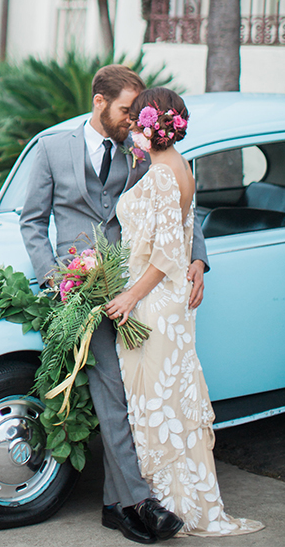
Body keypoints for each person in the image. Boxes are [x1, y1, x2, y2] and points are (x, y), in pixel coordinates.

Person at [20, 65, 209, 543]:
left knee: (132, 395)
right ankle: (138, 502)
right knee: (114, 392)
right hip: (81, 291)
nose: (133, 118)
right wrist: (55, 279)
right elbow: (32, 222)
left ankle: (116, 504)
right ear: (99, 101)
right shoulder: (52, 149)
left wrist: (197, 258)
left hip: (135, 288)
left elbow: (176, 204)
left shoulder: (141, 148)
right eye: (126, 109)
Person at [106, 88, 263, 537]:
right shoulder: (180, 167)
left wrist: (129, 297)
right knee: (173, 402)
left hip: (153, 302)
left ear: (147, 126)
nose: (131, 129)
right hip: (171, 302)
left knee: (155, 403)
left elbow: (165, 255)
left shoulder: (160, 175)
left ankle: (172, 505)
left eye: (135, 122)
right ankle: (186, 502)